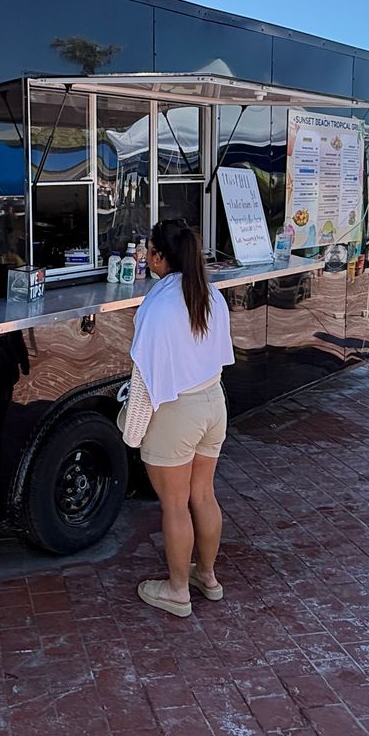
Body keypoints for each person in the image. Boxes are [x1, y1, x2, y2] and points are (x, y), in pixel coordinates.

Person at [130, 219, 234, 618]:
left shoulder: (158, 303)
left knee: (174, 505)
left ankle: (176, 591)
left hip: (177, 411)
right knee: (203, 495)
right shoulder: (210, 293)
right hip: (213, 403)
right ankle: (206, 576)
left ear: (158, 256)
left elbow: (145, 374)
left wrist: (134, 428)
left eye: (148, 249)